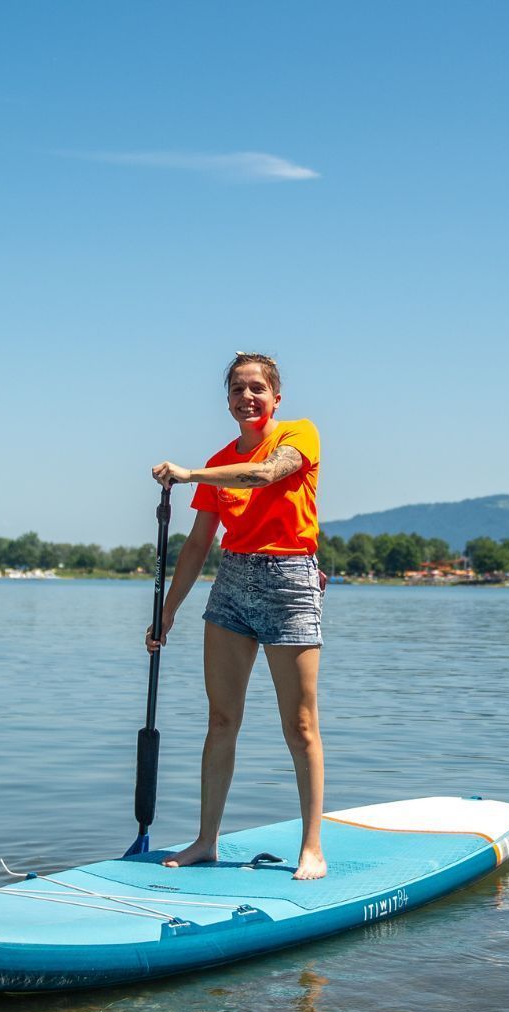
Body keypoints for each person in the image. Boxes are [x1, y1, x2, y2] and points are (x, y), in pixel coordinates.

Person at [148, 352, 328, 881]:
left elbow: (265, 475)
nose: (246, 398)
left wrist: (188, 473)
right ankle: (207, 840)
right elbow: (199, 542)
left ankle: (312, 846)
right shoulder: (219, 460)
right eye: (236, 390)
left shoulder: (299, 434)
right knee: (221, 720)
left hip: (290, 583)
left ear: (275, 397)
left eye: (256, 389)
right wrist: (167, 613)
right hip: (232, 587)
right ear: (227, 400)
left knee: (299, 725)